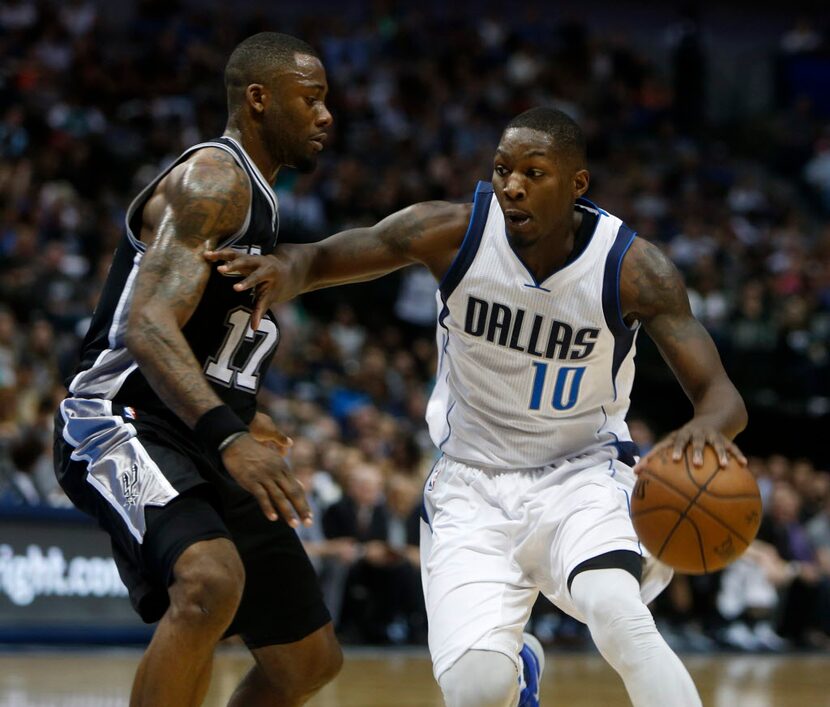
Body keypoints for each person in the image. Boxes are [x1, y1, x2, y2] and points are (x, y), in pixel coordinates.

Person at [208, 107, 748, 707]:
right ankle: (517, 670)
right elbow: (333, 256)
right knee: (476, 690)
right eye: (501, 169)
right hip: (471, 482)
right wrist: (285, 268)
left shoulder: (632, 269)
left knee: (617, 613)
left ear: (577, 184)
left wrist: (706, 430)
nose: (512, 184)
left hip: (582, 474)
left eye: (533, 172)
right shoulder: (454, 232)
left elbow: (721, 395)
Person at [54, 33, 342, 706]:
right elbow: (147, 324)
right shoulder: (216, 177)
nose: (327, 116)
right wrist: (230, 435)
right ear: (259, 99)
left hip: (198, 428)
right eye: (312, 99)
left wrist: (245, 415)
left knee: (308, 660)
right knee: (209, 582)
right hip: (121, 416)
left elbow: (198, 335)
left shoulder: (260, 201)